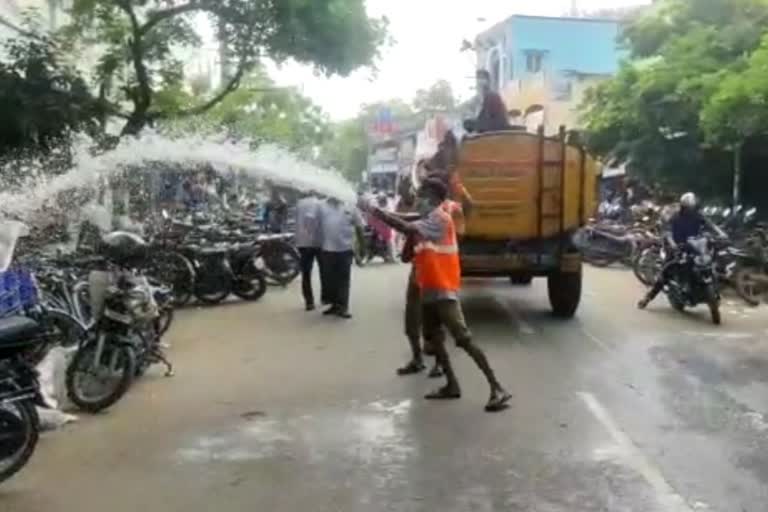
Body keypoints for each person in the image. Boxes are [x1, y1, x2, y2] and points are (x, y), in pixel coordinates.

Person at [360, 178, 511, 412]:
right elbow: (409, 234)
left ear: (431, 198)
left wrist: (375, 210)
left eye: (420, 195)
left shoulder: (441, 218)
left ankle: (497, 387)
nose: (417, 199)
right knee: (434, 339)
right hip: (428, 290)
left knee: (463, 339)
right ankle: (452, 384)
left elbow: (407, 226)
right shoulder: (428, 218)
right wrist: (379, 212)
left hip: (443, 290)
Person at [638, 192, 727, 309]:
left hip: (695, 246)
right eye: (688, 208)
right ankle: (648, 298)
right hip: (678, 248)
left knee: (711, 263)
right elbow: (668, 232)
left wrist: (721, 233)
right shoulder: (675, 217)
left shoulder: (697, 215)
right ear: (683, 207)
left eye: (692, 208)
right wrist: (673, 244)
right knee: (666, 273)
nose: (690, 210)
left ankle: (714, 292)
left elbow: (710, 225)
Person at [319, 196, 364, 319]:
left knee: (343, 279)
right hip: (326, 249)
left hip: (345, 249)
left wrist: (362, 248)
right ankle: (334, 305)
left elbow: (359, 226)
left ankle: (343, 307)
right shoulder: (321, 206)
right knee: (330, 280)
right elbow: (315, 226)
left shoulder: (350, 206)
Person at [295, 191, 323, 311]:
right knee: (324, 271)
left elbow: (297, 221)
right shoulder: (320, 204)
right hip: (318, 242)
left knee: (306, 273)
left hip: (303, 242)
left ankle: (309, 301)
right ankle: (325, 297)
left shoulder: (299, 204)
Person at [464, 70, 510, 134]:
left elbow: (493, 122)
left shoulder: (493, 97)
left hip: (495, 135)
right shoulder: (477, 100)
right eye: (478, 78)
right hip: (489, 135)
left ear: (488, 81)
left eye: (482, 78)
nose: (479, 81)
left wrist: (473, 124)